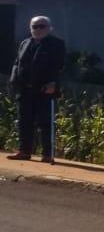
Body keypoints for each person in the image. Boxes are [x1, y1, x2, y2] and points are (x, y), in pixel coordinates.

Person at [9, 15, 67, 163]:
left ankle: (47, 153)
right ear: (31, 29)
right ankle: (24, 150)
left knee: (45, 122)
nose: (38, 29)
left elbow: (58, 65)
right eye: (35, 27)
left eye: (42, 26)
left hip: (44, 89)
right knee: (24, 121)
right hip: (25, 89)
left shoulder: (56, 44)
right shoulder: (25, 43)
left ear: (49, 28)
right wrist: (14, 80)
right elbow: (18, 63)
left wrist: (53, 83)